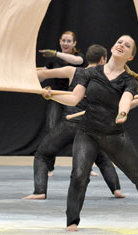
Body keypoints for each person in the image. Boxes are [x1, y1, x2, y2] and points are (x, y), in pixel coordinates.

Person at [42, 35, 138, 231]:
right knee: (79, 175)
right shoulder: (89, 73)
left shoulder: (129, 81)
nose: (121, 45)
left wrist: (123, 112)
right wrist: (52, 96)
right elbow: (74, 99)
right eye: (119, 42)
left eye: (127, 45)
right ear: (112, 46)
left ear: (130, 57)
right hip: (88, 132)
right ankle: (72, 221)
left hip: (114, 135)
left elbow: (125, 100)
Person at [23, 45, 125, 200]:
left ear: (87, 59)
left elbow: (43, 74)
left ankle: (39, 191)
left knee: (42, 155)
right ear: (103, 59)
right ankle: (116, 190)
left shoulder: (73, 71)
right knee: (102, 157)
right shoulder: (108, 79)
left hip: (70, 125)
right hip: (93, 126)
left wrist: (25, 77)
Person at [39, 31, 86, 175]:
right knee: (51, 128)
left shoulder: (79, 58)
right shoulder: (53, 60)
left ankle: (85, 166)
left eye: (68, 41)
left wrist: (55, 53)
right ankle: (49, 166)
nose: (65, 43)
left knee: (82, 132)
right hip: (57, 97)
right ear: (59, 41)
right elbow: (42, 75)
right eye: (63, 41)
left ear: (74, 43)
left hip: (74, 98)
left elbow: (76, 62)